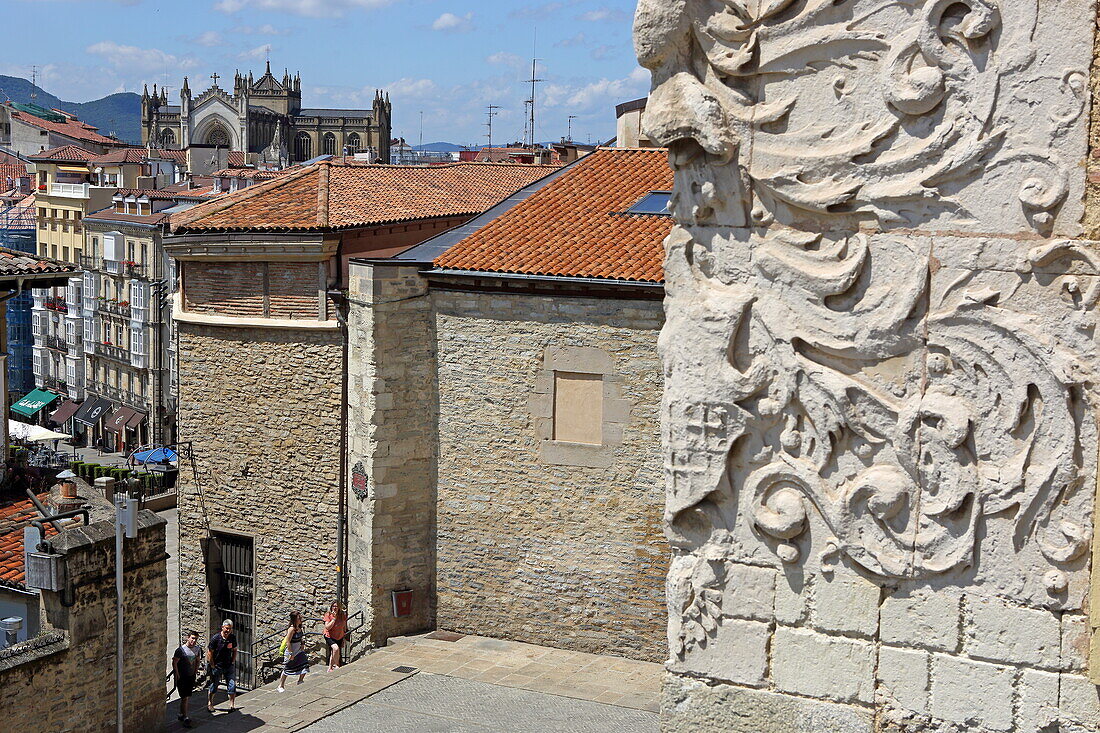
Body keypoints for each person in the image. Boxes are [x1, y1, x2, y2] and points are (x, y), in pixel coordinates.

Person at [206, 619, 238, 713]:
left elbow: (234, 650)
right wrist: (212, 665)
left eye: (230, 629)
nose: (228, 630)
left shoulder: (232, 637)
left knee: (232, 685)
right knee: (214, 685)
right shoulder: (216, 638)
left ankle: (232, 705)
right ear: (222, 627)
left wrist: (232, 661)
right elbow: (209, 653)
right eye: (227, 628)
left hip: (228, 665)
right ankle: (210, 703)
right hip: (217, 666)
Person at [172, 631, 201, 727]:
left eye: (195, 639)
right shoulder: (181, 650)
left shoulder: (197, 649)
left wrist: (196, 670)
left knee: (186, 697)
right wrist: (177, 674)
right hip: (182, 677)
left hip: (190, 676)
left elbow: (197, 660)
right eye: (192, 638)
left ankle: (181, 714)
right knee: (185, 697)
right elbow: (175, 662)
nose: (194, 640)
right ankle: (185, 716)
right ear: (188, 638)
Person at [277, 611, 309, 692]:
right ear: (295, 619)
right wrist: (291, 653)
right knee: (287, 668)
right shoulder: (291, 629)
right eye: (299, 618)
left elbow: (301, 637)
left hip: (298, 650)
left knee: (305, 664)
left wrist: (302, 644)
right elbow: (288, 641)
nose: (300, 619)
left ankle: (300, 680)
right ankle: (281, 685)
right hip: (291, 651)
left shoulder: (299, 627)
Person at [322, 601, 348, 671]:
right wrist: (334, 619)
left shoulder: (342, 615)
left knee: (334, 652)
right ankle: (336, 665)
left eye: (336, 606)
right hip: (329, 635)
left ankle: (330, 668)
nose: (335, 608)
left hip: (339, 635)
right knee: (336, 649)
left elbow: (344, 626)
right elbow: (327, 627)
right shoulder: (328, 615)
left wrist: (343, 637)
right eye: (333, 606)